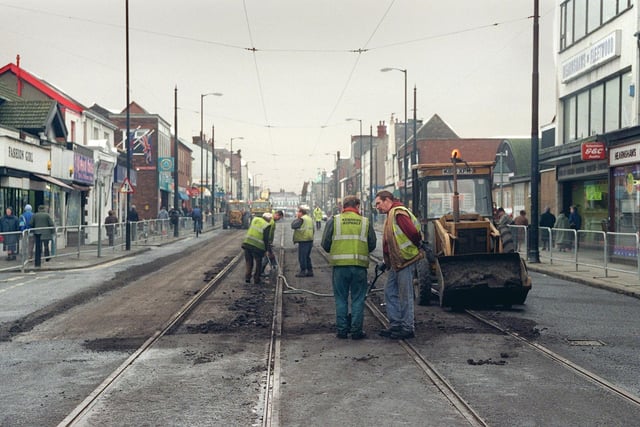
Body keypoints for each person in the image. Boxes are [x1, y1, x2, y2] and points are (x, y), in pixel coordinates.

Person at [321, 195, 376, 340]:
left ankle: (342, 331)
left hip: (340, 267)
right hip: (359, 266)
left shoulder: (335, 220)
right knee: (358, 299)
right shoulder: (365, 222)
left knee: (341, 299)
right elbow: (372, 244)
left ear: (343, 207)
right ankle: (356, 331)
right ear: (357, 206)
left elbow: (325, 243)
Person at [374, 190, 423, 340]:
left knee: (405, 295)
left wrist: (414, 249)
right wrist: (385, 261)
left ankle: (408, 328)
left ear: (387, 200)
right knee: (390, 292)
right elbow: (391, 241)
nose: (377, 207)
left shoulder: (398, 212)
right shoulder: (391, 214)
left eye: (378, 203)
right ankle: (396, 324)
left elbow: (413, 234)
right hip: (396, 262)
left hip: (405, 260)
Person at [241, 212, 273, 285]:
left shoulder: (254, 220)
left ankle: (247, 278)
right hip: (257, 247)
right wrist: (267, 250)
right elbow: (266, 239)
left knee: (249, 262)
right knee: (258, 263)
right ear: (269, 219)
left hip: (247, 243)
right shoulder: (267, 225)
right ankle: (256, 279)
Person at [291, 204, 314, 277]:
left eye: (298, 212)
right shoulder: (309, 218)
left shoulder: (302, 219)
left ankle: (303, 271)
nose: (297, 213)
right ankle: (310, 271)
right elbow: (313, 229)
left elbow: (293, 225)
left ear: (301, 213)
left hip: (303, 240)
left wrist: (297, 218)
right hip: (309, 239)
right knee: (307, 256)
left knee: (302, 257)